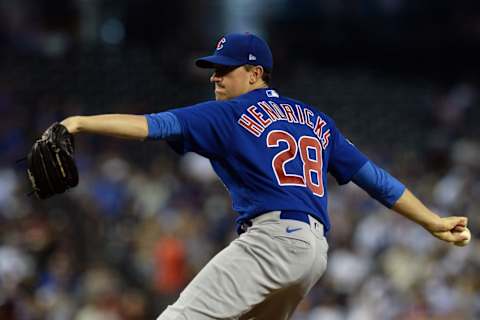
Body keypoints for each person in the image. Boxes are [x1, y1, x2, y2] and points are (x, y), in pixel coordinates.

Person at [58, 33, 470, 320]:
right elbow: (374, 178)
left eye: (225, 69)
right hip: (312, 254)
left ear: (255, 74)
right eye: (213, 69)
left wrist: (78, 123)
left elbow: (150, 125)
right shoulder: (315, 119)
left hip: (271, 241)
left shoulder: (228, 112)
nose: (215, 77)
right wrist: (431, 220)